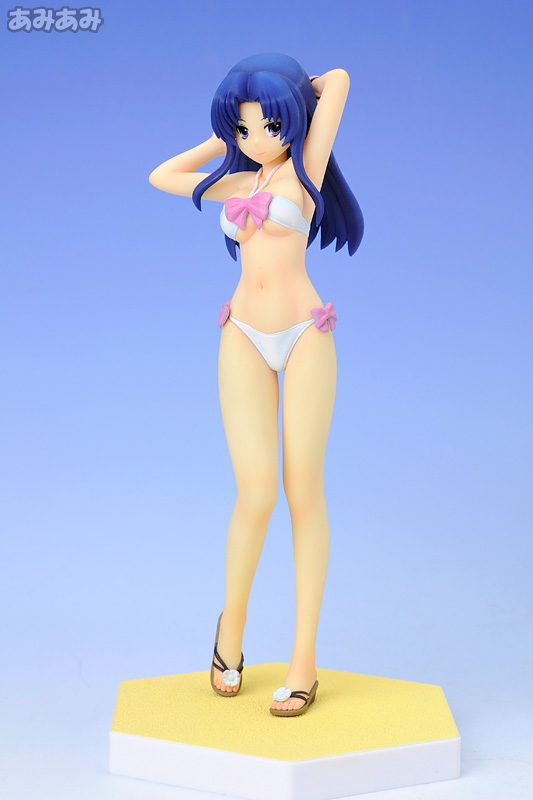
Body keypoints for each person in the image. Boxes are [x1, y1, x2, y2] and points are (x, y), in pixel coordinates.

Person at [149, 53, 363, 716]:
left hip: (305, 333)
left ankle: (303, 661)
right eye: (245, 128)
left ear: (291, 121)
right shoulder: (237, 178)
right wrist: (224, 139)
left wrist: (294, 95)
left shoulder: (306, 169)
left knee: (304, 491)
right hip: (241, 332)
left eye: (268, 125)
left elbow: (339, 81)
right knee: (255, 492)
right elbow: (163, 175)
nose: (257, 138)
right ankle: (230, 631)